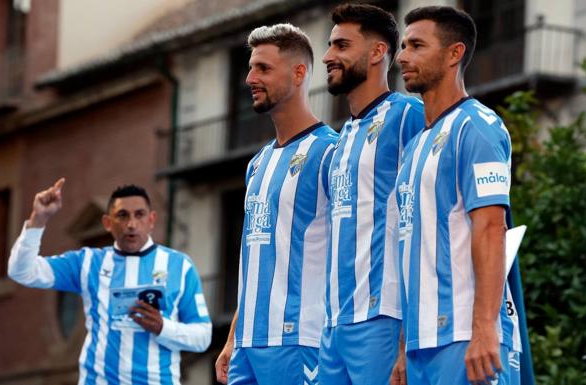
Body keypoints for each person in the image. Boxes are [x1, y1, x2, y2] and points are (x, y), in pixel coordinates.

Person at [392, 6, 521, 385]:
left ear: (454, 54)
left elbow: (491, 229)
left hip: (465, 338)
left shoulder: (478, 127)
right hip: (421, 343)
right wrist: (404, 347)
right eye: (402, 46)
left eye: (416, 45)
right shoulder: (414, 147)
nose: (402, 56)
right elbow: (410, 249)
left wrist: (484, 330)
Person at [214, 24, 338, 385]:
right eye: (251, 68)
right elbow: (255, 259)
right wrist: (234, 335)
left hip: (301, 341)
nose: (251, 78)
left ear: (299, 73)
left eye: (263, 69)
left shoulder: (331, 151)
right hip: (248, 347)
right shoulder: (258, 163)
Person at [8, 180, 212, 384]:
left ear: (151, 220)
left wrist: (163, 327)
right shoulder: (87, 262)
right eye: (122, 215)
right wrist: (38, 220)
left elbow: (203, 337)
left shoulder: (180, 265)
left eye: (139, 215)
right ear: (107, 223)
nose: (131, 224)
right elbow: (22, 271)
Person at [319, 4, 425, 385]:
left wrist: (406, 335)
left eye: (342, 45)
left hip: (383, 317)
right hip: (333, 324)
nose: (329, 56)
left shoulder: (409, 114)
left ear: (378, 52)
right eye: (330, 46)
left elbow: (425, 220)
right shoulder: (341, 138)